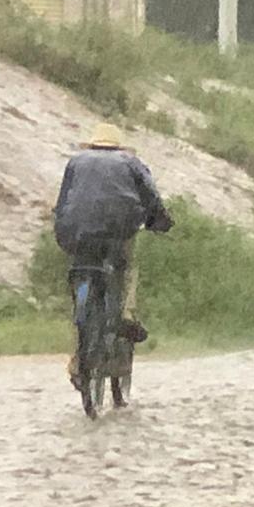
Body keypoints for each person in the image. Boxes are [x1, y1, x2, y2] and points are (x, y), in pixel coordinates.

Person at [53, 122, 173, 386]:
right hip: (116, 234)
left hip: (76, 234)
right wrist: (160, 222)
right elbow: (151, 198)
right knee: (127, 268)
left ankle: (77, 362)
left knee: (80, 290)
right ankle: (126, 315)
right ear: (118, 145)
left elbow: (62, 202)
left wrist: (63, 229)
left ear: (92, 144)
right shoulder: (130, 163)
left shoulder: (75, 162)